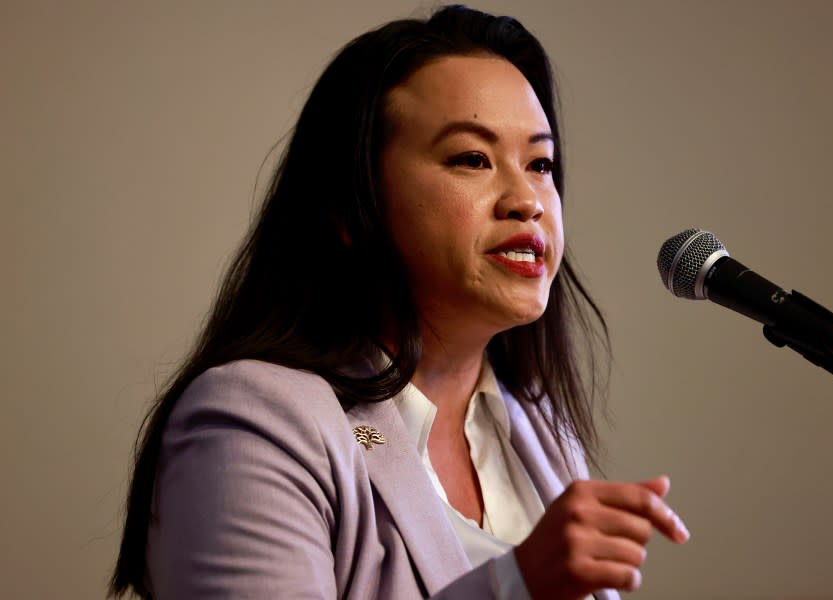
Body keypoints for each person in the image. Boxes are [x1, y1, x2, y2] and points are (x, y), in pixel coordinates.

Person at [109, 5, 689, 599]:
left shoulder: (538, 427)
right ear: (352, 208)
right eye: (472, 159)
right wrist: (516, 585)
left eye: (541, 163)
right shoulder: (253, 422)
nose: (527, 200)